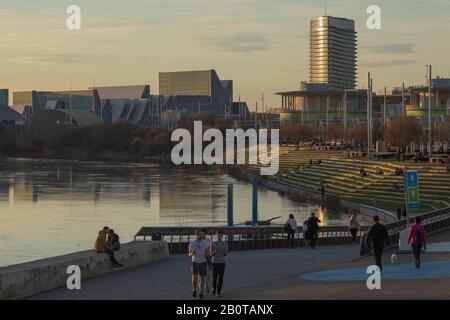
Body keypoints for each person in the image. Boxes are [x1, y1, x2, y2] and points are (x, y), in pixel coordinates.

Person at [188, 229, 209, 299]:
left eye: (202, 234)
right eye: (200, 234)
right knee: (195, 277)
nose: (202, 235)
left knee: (202, 278)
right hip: (195, 262)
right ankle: (194, 290)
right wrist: (192, 253)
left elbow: (207, 252)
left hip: (203, 262)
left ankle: (201, 292)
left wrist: (208, 254)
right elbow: (189, 254)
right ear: (196, 235)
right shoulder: (192, 243)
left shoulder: (205, 243)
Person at [210, 230, 228, 298]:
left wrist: (225, 252)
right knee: (214, 278)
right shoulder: (213, 243)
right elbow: (210, 254)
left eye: (220, 235)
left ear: (222, 236)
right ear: (216, 235)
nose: (219, 236)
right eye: (218, 235)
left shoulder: (225, 243)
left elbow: (225, 254)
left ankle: (218, 292)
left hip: (222, 263)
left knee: (221, 278)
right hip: (214, 262)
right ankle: (213, 287)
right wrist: (214, 252)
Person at [201, 229, 213, 294]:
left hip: (209, 257)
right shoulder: (198, 241)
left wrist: (209, 251)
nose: (203, 235)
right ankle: (202, 289)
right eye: (201, 234)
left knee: (209, 273)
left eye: (204, 234)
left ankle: (206, 284)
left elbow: (212, 248)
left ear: (205, 234)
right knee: (202, 274)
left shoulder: (209, 240)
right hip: (201, 258)